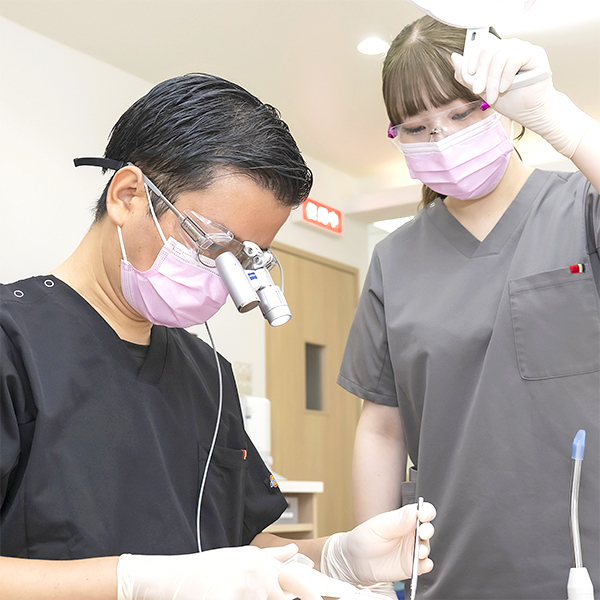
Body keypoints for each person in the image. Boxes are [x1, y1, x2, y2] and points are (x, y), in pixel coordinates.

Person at [0, 72, 435, 600]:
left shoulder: (208, 375)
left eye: (246, 257)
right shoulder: (13, 345)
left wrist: (337, 558)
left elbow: (233, 549)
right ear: (128, 196)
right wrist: (134, 583)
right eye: (212, 243)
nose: (224, 274)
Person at [338, 15, 599, 600]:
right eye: (417, 128)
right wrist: (370, 581)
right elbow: (381, 427)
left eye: (461, 114)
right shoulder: (394, 259)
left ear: (502, 104)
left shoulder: (582, 208)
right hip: (450, 574)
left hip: (582, 568)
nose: (443, 140)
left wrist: (559, 116)